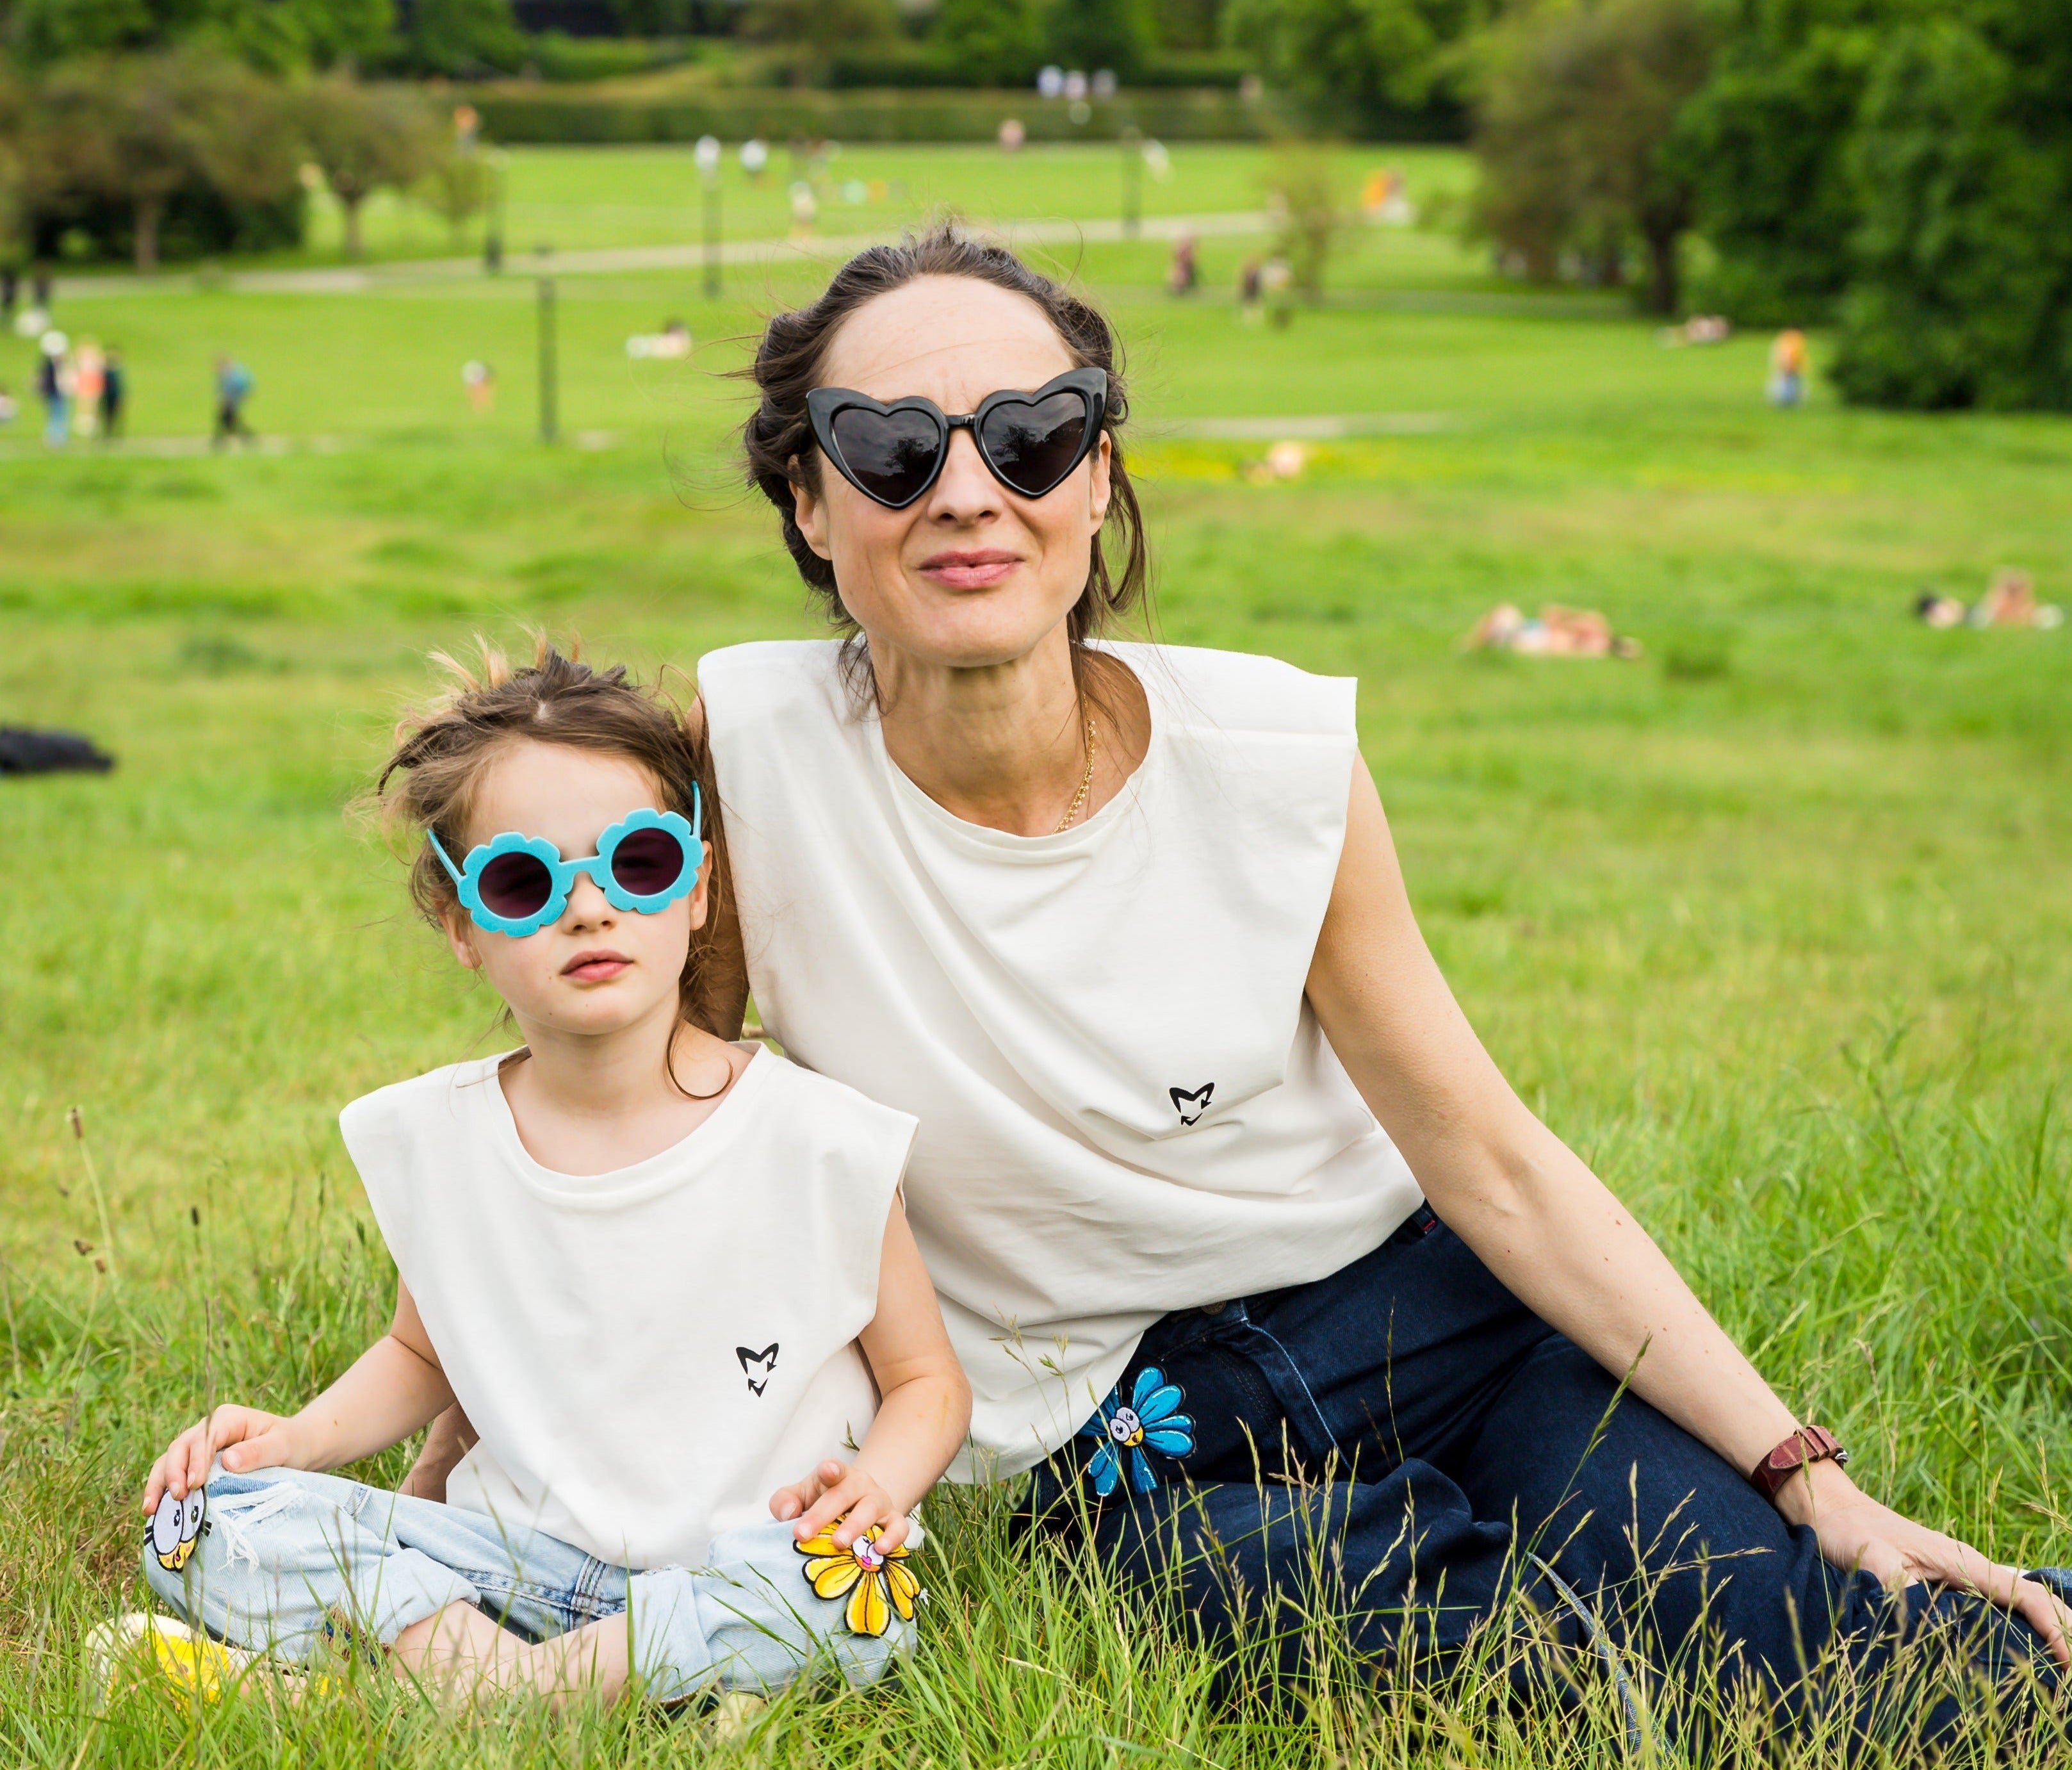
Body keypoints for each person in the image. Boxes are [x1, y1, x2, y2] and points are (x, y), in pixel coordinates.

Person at [406, 227, 2070, 1744]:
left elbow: (1488, 1160)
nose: (967, 489)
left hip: (1440, 1323)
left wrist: (1803, 1470)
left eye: (1030, 434)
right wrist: (477, 1461)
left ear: (1094, 471)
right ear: (809, 503)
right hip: (1128, 1421)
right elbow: (645, 1144)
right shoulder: (747, 761)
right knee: (1287, 1619)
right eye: (894, 449)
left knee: (1811, 1637)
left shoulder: (1274, 758)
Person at [127, 646, 968, 1710]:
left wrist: (876, 1489)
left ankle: (442, 1690)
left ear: (698, 891)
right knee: (198, 1519)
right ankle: (545, 1682)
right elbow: (419, 1353)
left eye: (641, 863)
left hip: (739, 1565)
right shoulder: (445, 1139)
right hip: (508, 1568)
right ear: (463, 924)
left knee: (855, 1598)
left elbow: (929, 1384)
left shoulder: (817, 1140)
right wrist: (292, 1441)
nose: (589, 907)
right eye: (525, 880)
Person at [212, 354, 253, 448]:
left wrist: (226, 401)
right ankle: (246, 437)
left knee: (226, 421)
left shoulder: (232, 376)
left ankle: (220, 441)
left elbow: (233, 390)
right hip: (230, 401)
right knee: (228, 421)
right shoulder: (227, 375)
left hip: (231, 401)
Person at [37, 330, 69, 448]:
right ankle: (55, 437)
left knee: (58, 414)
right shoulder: (50, 364)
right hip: (54, 393)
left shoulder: (54, 363)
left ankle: (58, 436)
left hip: (56, 392)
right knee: (56, 414)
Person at [1767, 327, 1807, 407]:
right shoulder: (1789, 343)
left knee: (1792, 384)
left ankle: (1790, 399)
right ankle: (1787, 400)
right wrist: (1788, 366)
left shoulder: (1790, 342)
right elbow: (1786, 356)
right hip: (1789, 367)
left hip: (1792, 367)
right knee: (1788, 384)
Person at [99, 347, 125, 439]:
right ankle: (108, 434)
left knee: (113, 417)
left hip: (112, 397)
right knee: (108, 417)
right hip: (108, 397)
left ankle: (114, 435)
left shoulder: (113, 371)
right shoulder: (107, 372)